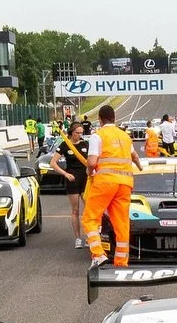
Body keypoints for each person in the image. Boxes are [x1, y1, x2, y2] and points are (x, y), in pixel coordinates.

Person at [83, 104, 142, 267]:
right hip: (125, 184)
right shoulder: (124, 136)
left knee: (90, 218)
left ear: (100, 120)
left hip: (105, 182)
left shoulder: (98, 135)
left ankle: (98, 254)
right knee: (122, 223)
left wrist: (89, 172)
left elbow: (92, 161)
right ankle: (121, 262)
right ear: (114, 118)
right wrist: (140, 166)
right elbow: (135, 156)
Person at [57, 119, 91, 246]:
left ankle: (89, 237)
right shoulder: (65, 145)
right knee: (75, 210)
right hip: (72, 179)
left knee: (88, 209)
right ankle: (78, 238)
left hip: (86, 179)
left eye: (81, 133)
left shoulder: (86, 144)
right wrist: (65, 174)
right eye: (77, 133)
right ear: (72, 133)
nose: (80, 135)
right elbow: (53, 163)